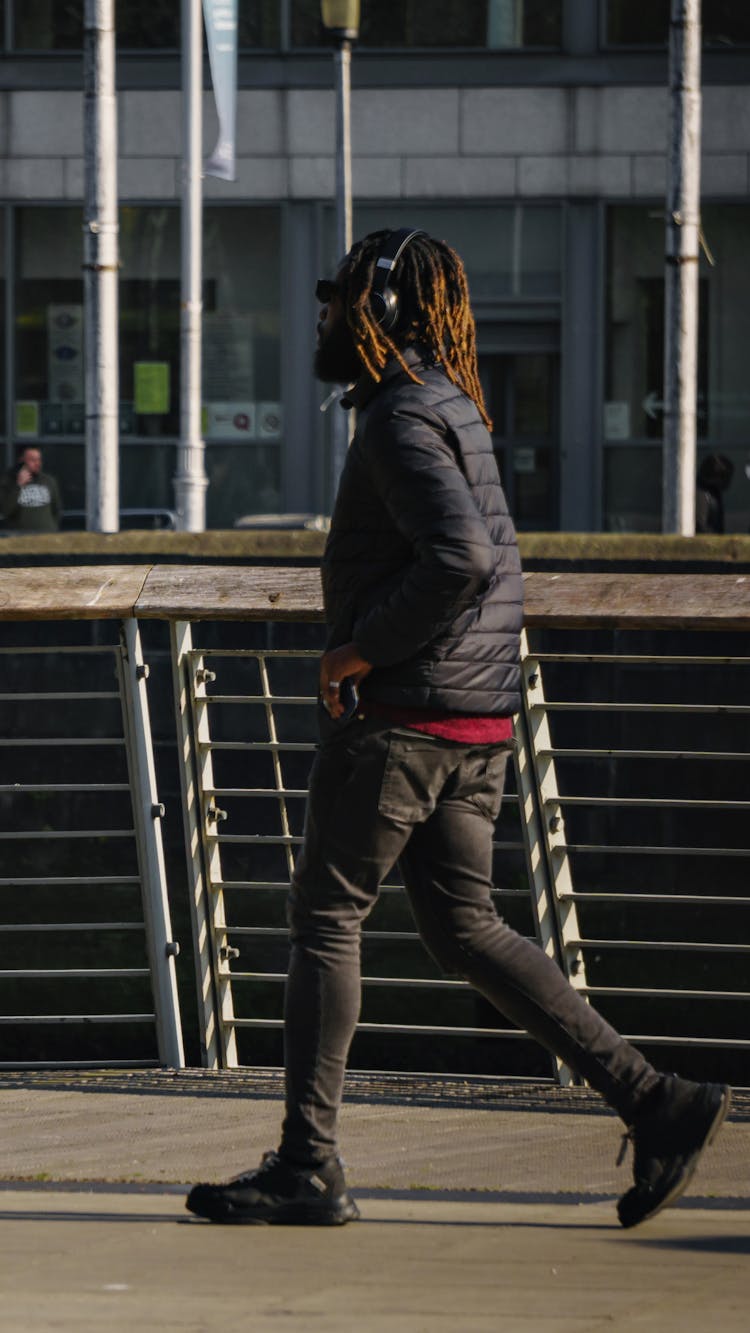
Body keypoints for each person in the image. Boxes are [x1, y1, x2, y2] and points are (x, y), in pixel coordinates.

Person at [187, 228, 730, 1230]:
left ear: (382, 313)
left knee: (325, 919)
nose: (326, 318)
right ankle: (658, 1100)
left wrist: (355, 653)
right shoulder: (453, 406)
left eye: (341, 301)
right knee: (467, 928)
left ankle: (309, 1163)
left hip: (405, 718)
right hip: (472, 721)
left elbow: (460, 558)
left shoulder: (399, 417)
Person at [0, 445, 61, 533]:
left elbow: (57, 509)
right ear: (22, 461)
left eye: (39, 459)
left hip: (47, 536)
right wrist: (19, 486)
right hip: (20, 537)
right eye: (32, 460)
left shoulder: (48, 481)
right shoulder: (8, 481)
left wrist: (53, 527)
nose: (38, 463)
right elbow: (5, 511)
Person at [696, 454, 733, 534]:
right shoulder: (701, 493)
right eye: (727, 477)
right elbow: (700, 525)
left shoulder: (714, 493)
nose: (729, 482)